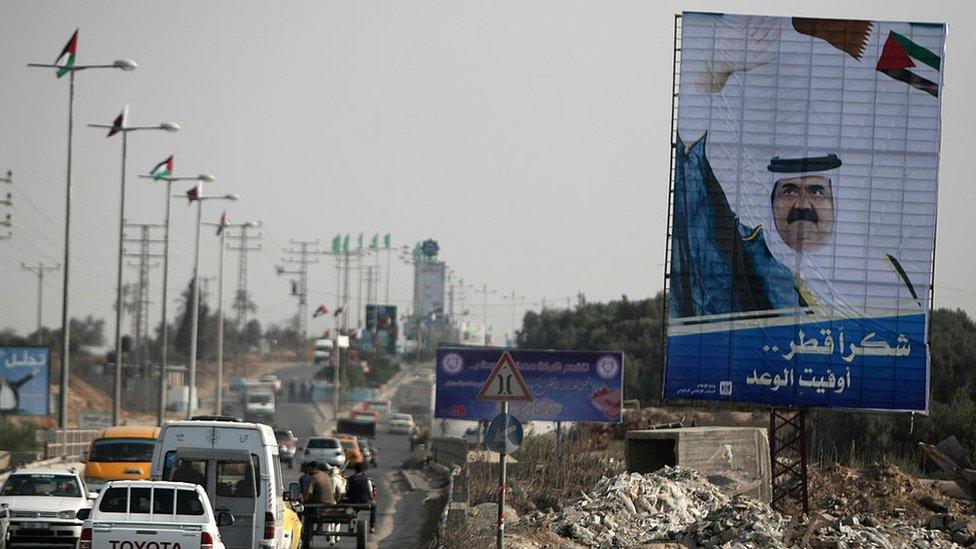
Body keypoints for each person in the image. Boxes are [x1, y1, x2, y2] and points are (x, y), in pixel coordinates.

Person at [344, 461, 377, 534]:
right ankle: (372, 527)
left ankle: (351, 523)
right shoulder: (367, 480)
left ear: (355, 470)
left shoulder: (349, 479)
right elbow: (371, 494)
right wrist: (372, 499)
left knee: (352, 508)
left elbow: (347, 491)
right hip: (364, 501)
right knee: (374, 507)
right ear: (363, 470)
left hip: (352, 501)